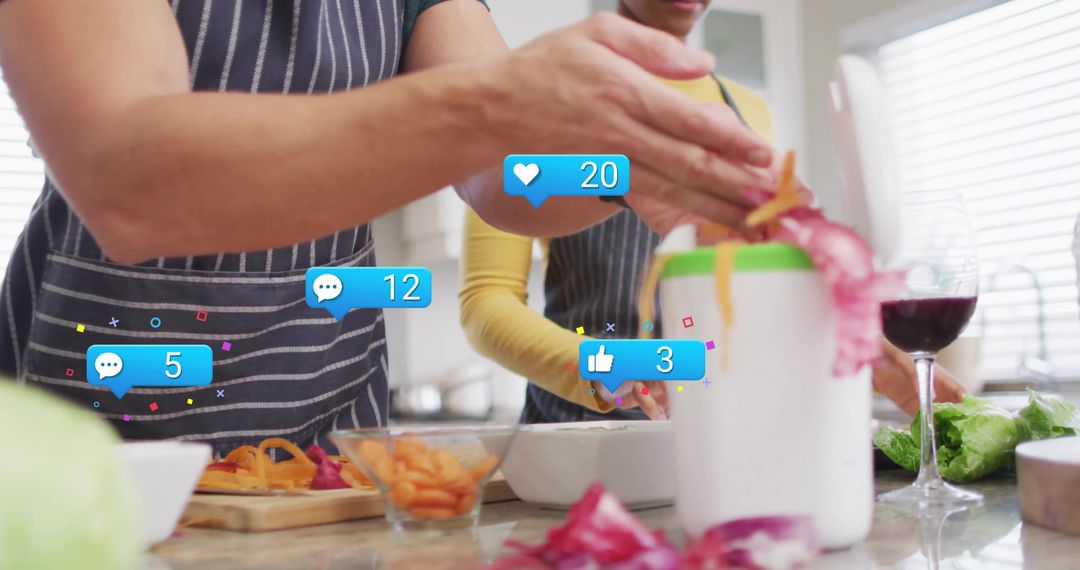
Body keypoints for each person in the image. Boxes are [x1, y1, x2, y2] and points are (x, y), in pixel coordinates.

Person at [0, 0, 778, 454]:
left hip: (333, 441)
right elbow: (133, 185)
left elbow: (512, 177)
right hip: (100, 443)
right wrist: (497, 101)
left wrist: (622, 167)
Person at [459, 0, 966, 423]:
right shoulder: (544, 90)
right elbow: (486, 302)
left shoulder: (748, 109)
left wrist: (847, 331)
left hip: (721, 427)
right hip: (577, 440)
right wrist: (610, 362)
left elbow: (762, 284)